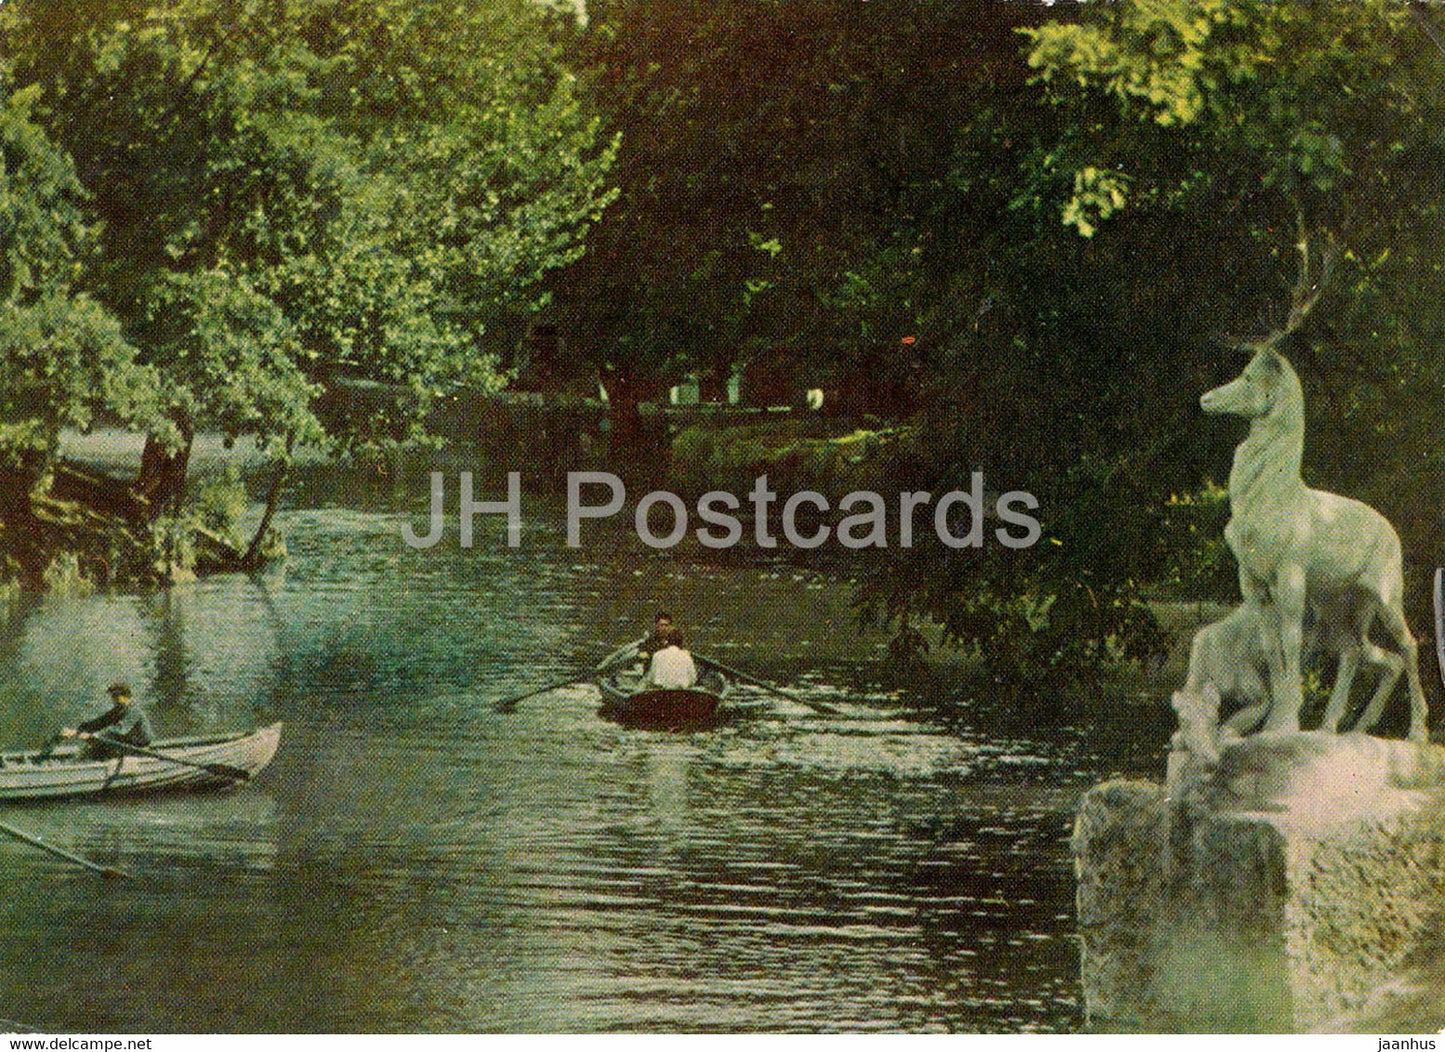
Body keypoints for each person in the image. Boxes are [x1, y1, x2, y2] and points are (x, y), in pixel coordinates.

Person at [59, 682, 155, 760]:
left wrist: (96, 736)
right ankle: (77, 765)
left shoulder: (134, 711)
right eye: (112, 696)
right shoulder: (119, 710)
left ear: (126, 696)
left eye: (116, 696)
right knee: (90, 750)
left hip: (139, 748)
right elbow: (99, 722)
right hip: (127, 745)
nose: (113, 700)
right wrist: (76, 731)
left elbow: (120, 730)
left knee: (96, 749)